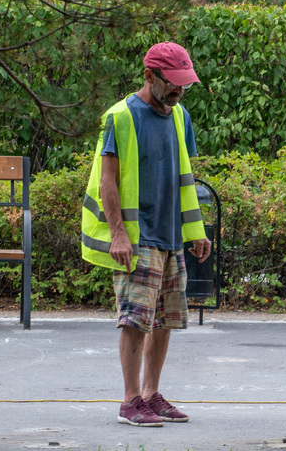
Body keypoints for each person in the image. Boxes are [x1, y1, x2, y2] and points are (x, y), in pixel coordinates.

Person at [81, 41, 211, 427]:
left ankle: (152, 395)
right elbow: (107, 183)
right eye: (172, 83)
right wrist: (118, 235)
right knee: (135, 318)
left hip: (171, 234)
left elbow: (184, 176)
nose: (179, 91)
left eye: (184, 84)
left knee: (165, 319)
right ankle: (129, 400)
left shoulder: (179, 116)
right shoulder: (120, 117)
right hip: (138, 238)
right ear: (149, 76)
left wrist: (196, 230)